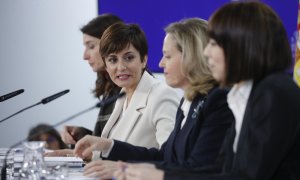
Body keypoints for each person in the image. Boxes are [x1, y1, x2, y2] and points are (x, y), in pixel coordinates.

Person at [113, 1, 300, 180]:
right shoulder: (247, 94)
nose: (205, 53)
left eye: (214, 44)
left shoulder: (274, 93)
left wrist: (163, 176)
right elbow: (219, 170)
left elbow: (247, 177)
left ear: (241, 44)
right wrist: (140, 170)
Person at [73, 18, 233, 179]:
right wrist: (110, 148)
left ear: (191, 56)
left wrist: (129, 170)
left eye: (167, 56)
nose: (161, 63)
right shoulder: (189, 100)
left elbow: (199, 169)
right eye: (112, 60)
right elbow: (167, 157)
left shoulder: (216, 100)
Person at [73, 22, 180, 179]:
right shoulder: (123, 95)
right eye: (113, 60)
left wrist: (120, 168)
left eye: (128, 58)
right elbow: (110, 155)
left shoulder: (162, 95)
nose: (121, 67)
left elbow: (170, 159)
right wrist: (74, 156)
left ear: (143, 60)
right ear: (106, 65)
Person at [60, 14, 123, 145]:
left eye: (91, 46)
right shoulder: (109, 88)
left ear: (111, 45)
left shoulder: (128, 88)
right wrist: (82, 135)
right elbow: (110, 141)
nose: (85, 56)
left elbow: (125, 147)